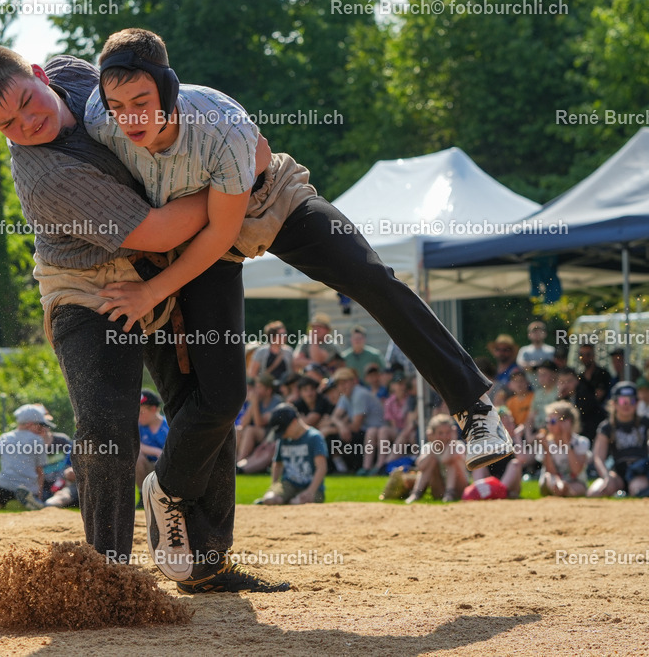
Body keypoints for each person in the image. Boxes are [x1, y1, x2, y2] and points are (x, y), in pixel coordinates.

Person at [86, 28, 512, 472]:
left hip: (270, 203)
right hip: (197, 233)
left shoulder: (219, 124)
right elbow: (55, 100)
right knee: (220, 392)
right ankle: (172, 492)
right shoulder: (98, 118)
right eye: (117, 107)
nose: (129, 119)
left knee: (370, 278)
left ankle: (476, 410)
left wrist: (152, 292)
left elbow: (221, 232)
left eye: (141, 103)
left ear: (168, 89)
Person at [0, 46, 288, 593]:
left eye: (26, 103)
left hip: (151, 272)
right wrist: (231, 178)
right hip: (87, 288)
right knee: (109, 427)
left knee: (204, 406)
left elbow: (150, 104)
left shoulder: (76, 74)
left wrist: (219, 149)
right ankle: (108, 575)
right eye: (7, 125)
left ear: (42, 76)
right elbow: (158, 228)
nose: (27, 124)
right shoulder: (45, 177)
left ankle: (205, 563)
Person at [0, 404, 49, 510]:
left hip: (3, 490)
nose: (42, 429)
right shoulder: (38, 441)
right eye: (40, 425)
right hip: (29, 489)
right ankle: (30, 500)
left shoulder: (4, 438)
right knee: (28, 490)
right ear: (29, 424)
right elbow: (40, 472)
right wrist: (39, 496)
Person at [255, 404, 327, 505]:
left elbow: (321, 467)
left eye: (283, 431)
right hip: (289, 484)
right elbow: (278, 464)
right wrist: (274, 487)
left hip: (312, 486)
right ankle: (286, 499)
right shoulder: (283, 439)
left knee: (298, 502)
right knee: (270, 499)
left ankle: (291, 500)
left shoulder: (314, 437)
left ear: (294, 422)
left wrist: (310, 491)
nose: (282, 435)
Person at [587, 383, 649, 498]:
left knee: (638, 490)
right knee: (595, 493)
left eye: (631, 401)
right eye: (622, 401)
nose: (626, 405)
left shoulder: (645, 423)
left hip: (639, 472)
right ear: (614, 403)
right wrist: (606, 477)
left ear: (637, 403)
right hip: (617, 473)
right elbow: (598, 457)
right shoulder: (607, 427)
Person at [405, 415, 469, 503]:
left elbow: (445, 460)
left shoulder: (458, 445)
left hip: (459, 489)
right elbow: (420, 466)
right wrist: (433, 445)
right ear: (433, 434)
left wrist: (452, 441)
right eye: (440, 433)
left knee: (451, 460)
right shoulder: (429, 447)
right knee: (431, 460)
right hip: (439, 490)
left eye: (447, 432)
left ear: (453, 431)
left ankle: (449, 493)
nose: (444, 436)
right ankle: (416, 494)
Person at [536, 401, 590, 497]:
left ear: (567, 422)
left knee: (577, 487)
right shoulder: (546, 442)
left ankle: (564, 491)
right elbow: (550, 471)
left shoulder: (581, 442)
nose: (549, 425)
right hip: (552, 480)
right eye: (547, 421)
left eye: (552, 422)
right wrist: (546, 449)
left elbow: (576, 470)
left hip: (574, 482)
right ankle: (562, 491)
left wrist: (567, 443)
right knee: (552, 480)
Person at [135, 389, 169, 497]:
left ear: (154, 409)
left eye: (141, 412)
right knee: (136, 455)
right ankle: (142, 495)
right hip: (149, 467)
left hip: (167, 469)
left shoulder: (168, 425)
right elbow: (134, 443)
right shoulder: (138, 427)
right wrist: (155, 451)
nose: (138, 417)